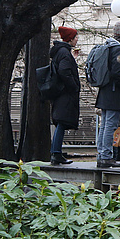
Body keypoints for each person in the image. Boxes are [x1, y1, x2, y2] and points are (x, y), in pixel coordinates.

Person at [94, 22, 120, 168]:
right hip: (114, 92)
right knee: (110, 124)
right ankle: (106, 156)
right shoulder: (117, 49)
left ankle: (101, 154)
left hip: (105, 90)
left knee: (104, 125)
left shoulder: (107, 46)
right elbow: (117, 72)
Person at [50, 26, 81, 166]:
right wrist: (74, 86)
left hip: (60, 94)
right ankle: (56, 153)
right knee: (61, 123)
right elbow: (64, 71)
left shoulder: (61, 52)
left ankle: (56, 152)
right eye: (75, 37)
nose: (77, 40)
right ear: (70, 39)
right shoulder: (64, 53)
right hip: (65, 94)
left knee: (60, 123)